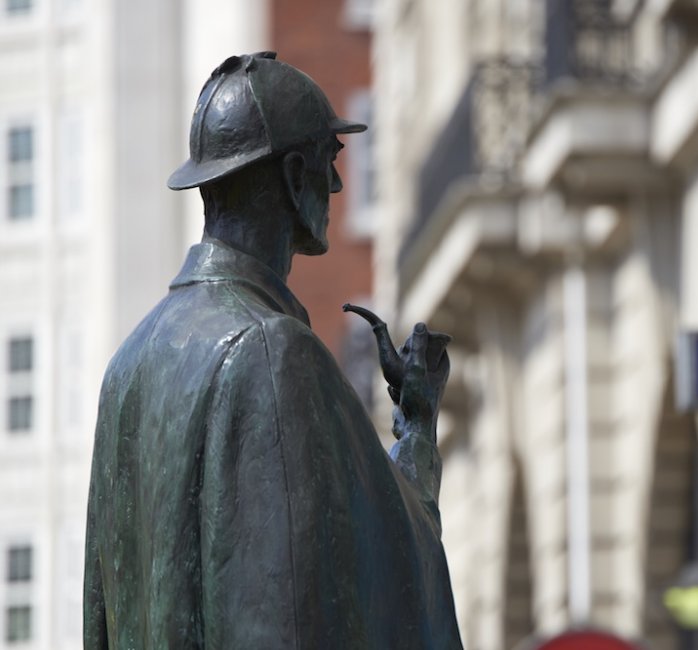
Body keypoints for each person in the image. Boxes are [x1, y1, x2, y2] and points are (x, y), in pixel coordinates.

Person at [83, 52, 463, 648]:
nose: (338, 184)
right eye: (328, 161)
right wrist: (416, 429)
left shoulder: (125, 370)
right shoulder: (272, 351)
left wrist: (415, 426)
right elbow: (371, 568)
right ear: (292, 177)